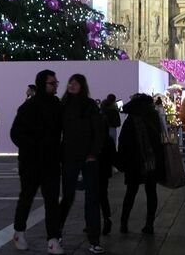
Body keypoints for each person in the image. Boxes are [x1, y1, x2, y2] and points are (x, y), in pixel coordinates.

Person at [10, 69, 63, 253]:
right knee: (27, 197)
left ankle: (53, 238)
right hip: (31, 162)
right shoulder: (28, 107)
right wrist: (33, 147)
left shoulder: (57, 104)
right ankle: (19, 231)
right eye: (52, 83)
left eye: (56, 82)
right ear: (43, 84)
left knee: (51, 202)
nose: (56, 85)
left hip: (51, 162)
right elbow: (15, 134)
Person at [58, 74, 107, 254]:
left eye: (75, 83)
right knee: (67, 197)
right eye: (70, 82)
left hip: (88, 158)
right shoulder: (62, 105)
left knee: (92, 199)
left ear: (82, 86)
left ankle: (94, 239)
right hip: (69, 156)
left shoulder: (89, 105)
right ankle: (56, 234)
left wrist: (93, 152)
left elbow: (99, 130)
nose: (71, 85)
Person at [119, 93, 166, 237]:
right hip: (151, 161)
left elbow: (123, 141)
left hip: (134, 161)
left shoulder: (131, 119)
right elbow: (159, 138)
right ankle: (149, 224)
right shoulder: (153, 116)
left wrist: (122, 161)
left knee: (130, 193)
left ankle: (123, 223)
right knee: (151, 192)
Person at [99, 94, 122, 234]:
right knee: (103, 196)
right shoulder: (113, 110)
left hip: (94, 169)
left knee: (92, 198)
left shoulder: (102, 109)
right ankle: (106, 218)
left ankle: (90, 221)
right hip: (104, 170)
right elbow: (118, 123)